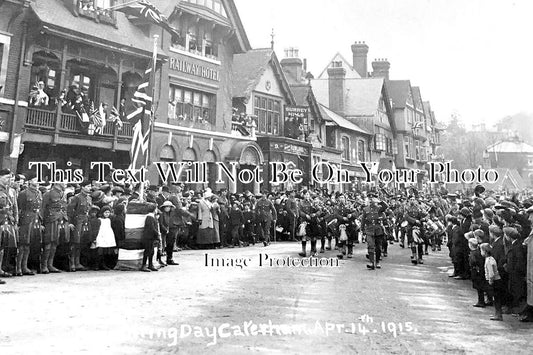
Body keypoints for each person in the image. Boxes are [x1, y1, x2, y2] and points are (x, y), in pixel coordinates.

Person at [16, 172, 42, 276]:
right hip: (25, 220)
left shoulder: (38, 193)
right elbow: (19, 208)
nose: (37, 182)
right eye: (35, 180)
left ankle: (25, 266)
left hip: (35, 219)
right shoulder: (24, 193)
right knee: (23, 244)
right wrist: (19, 222)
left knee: (29, 244)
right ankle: (18, 268)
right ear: (30, 181)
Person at [41, 183, 70, 274]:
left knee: (55, 243)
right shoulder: (48, 194)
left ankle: (50, 264)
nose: (64, 183)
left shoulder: (62, 193)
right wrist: (41, 222)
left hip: (58, 220)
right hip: (49, 220)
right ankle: (44, 266)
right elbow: (42, 208)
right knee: (48, 243)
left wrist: (64, 218)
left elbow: (64, 207)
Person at [67, 180, 92, 272]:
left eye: (90, 186)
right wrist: (70, 222)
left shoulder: (89, 198)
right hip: (77, 221)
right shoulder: (76, 198)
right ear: (83, 187)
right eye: (88, 186)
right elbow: (70, 210)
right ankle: (72, 263)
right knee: (75, 242)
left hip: (85, 220)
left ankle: (78, 263)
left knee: (81, 242)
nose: (89, 188)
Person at [361, 192, 386, 270]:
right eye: (370, 200)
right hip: (369, 229)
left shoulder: (379, 208)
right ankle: (372, 262)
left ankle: (377, 262)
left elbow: (386, 206)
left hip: (378, 230)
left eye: (373, 200)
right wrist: (362, 230)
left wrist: (380, 200)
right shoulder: (365, 209)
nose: (372, 201)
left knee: (378, 247)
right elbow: (363, 220)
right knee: (370, 246)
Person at [0, 169, 16, 283]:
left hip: (4, 220)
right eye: (6, 178)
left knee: (1, 248)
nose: (8, 180)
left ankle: (0, 269)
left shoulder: (8, 190)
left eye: (9, 178)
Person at [481, 243, 505, 321]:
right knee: (497, 298)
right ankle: (498, 314)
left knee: (496, 298)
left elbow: (491, 274)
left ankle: (498, 315)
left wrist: (490, 281)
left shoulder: (488, 261)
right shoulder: (492, 258)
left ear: (485, 251)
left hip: (494, 281)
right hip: (498, 280)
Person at [141, 203, 159, 272]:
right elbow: (152, 228)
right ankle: (144, 265)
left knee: (151, 251)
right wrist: (156, 234)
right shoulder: (150, 217)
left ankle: (150, 264)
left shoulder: (151, 217)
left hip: (150, 237)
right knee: (147, 251)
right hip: (148, 237)